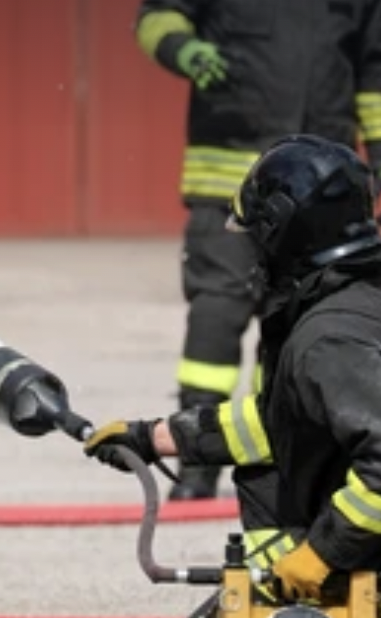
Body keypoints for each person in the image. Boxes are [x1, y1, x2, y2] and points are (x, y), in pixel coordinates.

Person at [84, 134, 381, 603]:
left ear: (282, 232)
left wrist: (323, 554)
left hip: (353, 569)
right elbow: (283, 422)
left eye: (255, 235)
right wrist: (156, 437)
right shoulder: (353, 301)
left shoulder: (328, 339)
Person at [135, 0, 381, 500]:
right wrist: (184, 50)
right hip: (229, 169)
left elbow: (374, 71)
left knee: (302, 321)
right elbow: (158, 16)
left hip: (317, 187)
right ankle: (197, 464)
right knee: (218, 309)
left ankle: (288, 458)